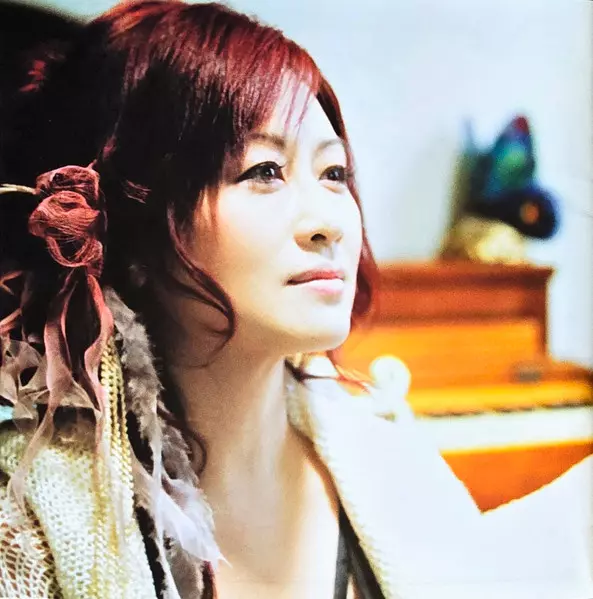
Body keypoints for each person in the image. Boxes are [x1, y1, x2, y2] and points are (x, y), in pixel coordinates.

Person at [0, 2, 591, 598]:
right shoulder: (27, 529)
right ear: (135, 233)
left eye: (334, 173)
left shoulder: (388, 459)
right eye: (264, 170)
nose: (329, 222)